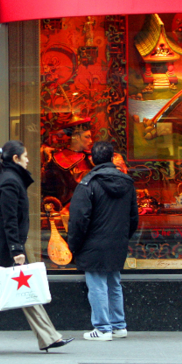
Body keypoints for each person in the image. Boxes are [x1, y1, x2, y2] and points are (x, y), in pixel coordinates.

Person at [0, 140, 74, 354]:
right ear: (15, 159)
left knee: (23, 289)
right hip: (3, 248)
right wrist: (17, 250)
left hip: (3, 245)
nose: (28, 159)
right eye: (26, 156)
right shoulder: (10, 182)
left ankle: (49, 337)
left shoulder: (6, 178)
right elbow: (8, 219)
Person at [67, 141, 139, 342]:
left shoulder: (88, 183)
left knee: (97, 284)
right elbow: (134, 217)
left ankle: (102, 328)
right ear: (111, 158)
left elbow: (78, 219)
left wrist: (74, 245)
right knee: (114, 282)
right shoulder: (127, 183)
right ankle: (118, 325)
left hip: (93, 243)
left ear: (91, 158)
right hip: (117, 242)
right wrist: (123, 237)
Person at [42, 120, 128, 209]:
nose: (91, 141)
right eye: (87, 137)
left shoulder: (91, 157)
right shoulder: (57, 159)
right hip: (71, 207)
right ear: (76, 137)